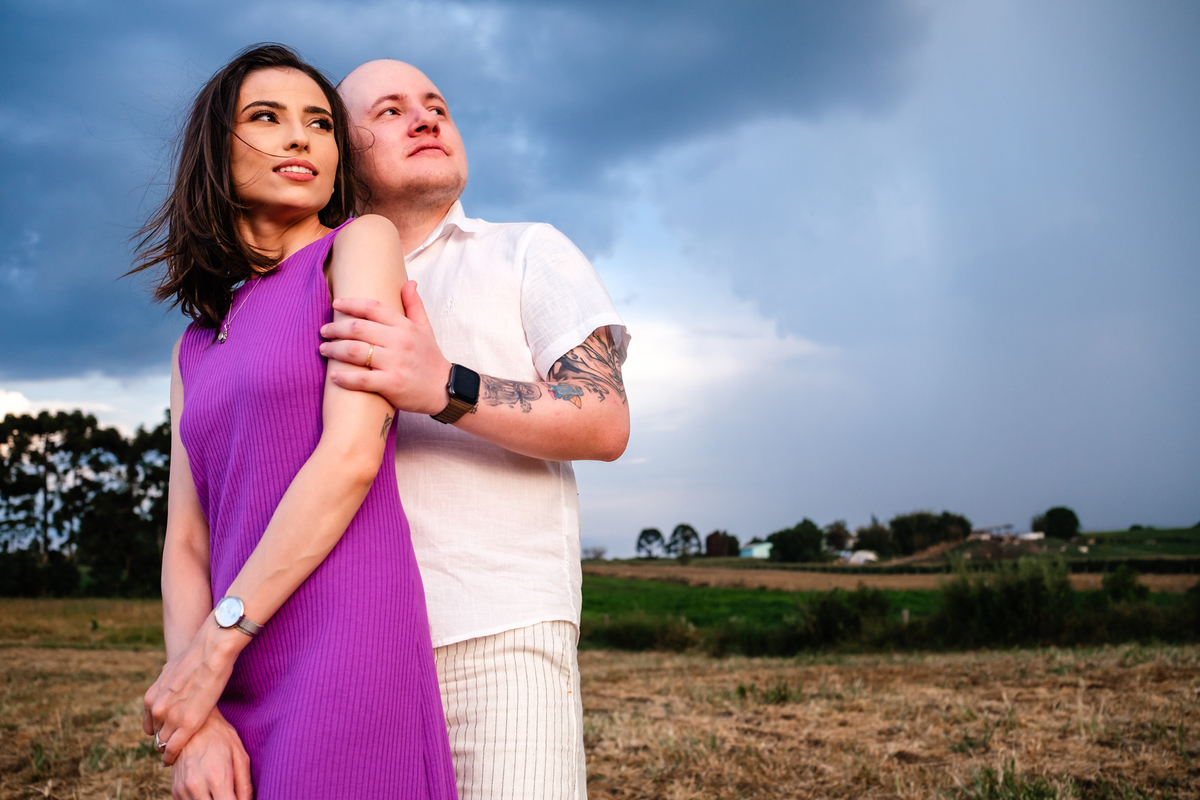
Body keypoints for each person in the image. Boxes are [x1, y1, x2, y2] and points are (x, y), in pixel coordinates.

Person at [131, 45, 457, 800]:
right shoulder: (193, 344)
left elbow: (351, 456)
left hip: (344, 643)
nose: (300, 136)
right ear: (217, 150)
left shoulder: (358, 246)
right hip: (230, 662)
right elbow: (186, 537)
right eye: (266, 118)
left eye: (319, 122)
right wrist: (197, 706)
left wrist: (218, 642)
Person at [315, 59, 632, 799]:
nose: (426, 118)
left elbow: (605, 417)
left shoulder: (526, 251)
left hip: (498, 637)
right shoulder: (314, 284)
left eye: (437, 106)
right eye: (390, 112)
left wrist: (444, 386)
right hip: (346, 649)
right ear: (339, 153)